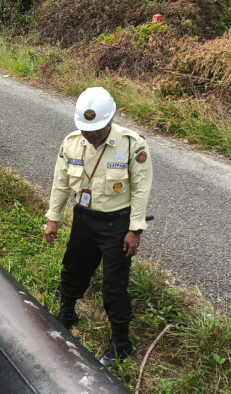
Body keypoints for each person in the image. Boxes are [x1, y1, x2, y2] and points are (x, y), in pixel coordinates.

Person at [44, 87, 153, 366]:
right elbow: (60, 183)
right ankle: (67, 314)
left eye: (96, 129)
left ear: (110, 119)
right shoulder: (71, 143)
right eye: (85, 128)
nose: (89, 134)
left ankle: (121, 342)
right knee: (72, 270)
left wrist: (135, 230)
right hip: (84, 218)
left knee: (114, 286)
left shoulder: (132, 144)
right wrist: (53, 218)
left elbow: (141, 190)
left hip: (117, 224)